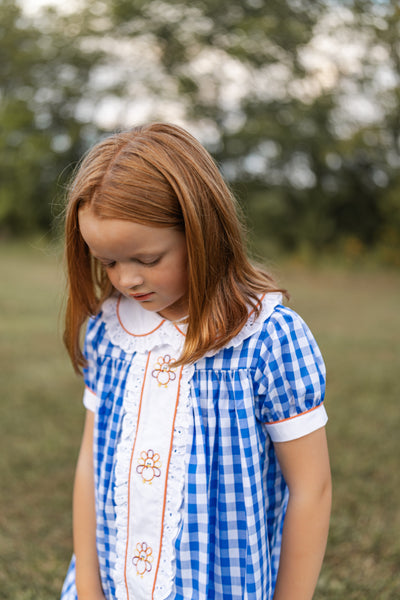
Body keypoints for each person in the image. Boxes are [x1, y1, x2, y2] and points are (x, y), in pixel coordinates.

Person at [60, 122, 331, 600]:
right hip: (112, 582)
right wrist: (86, 588)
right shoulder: (109, 331)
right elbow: (89, 462)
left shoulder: (267, 338)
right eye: (107, 261)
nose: (125, 280)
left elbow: (312, 489)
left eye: (146, 258)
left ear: (201, 231)